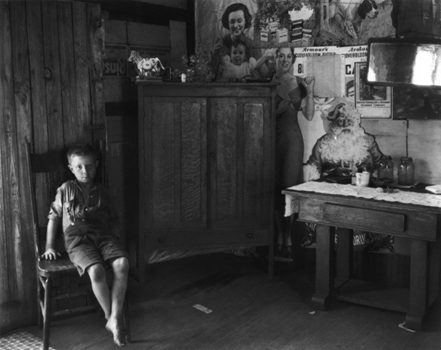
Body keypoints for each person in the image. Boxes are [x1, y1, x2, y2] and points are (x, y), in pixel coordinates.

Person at [41, 144, 129, 347]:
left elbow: (114, 218)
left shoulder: (102, 192)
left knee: (122, 263)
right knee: (97, 270)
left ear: (96, 166)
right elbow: (53, 218)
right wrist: (49, 247)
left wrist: (114, 236)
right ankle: (112, 318)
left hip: (103, 237)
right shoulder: (66, 190)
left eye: (89, 166)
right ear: (71, 168)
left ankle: (114, 317)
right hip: (77, 241)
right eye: (79, 167)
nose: (85, 171)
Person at [263, 46, 315, 258]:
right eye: (281, 56)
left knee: (289, 187)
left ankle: (289, 235)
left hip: (292, 140)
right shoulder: (267, 83)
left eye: (288, 57)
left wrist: (310, 91)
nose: (285, 60)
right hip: (270, 140)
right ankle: (278, 234)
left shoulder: (298, 83)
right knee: (274, 188)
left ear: (293, 60)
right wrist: (279, 108)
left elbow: (310, 115)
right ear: (275, 58)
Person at [212, 2, 269, 79]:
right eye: (232, 22)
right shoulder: (222, 42)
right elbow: (211, 73)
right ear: (227, 24)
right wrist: (214, 55)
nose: (236, 25)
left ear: (245, 21)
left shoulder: (250, 44)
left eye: (239, 21)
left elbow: (264, 73)